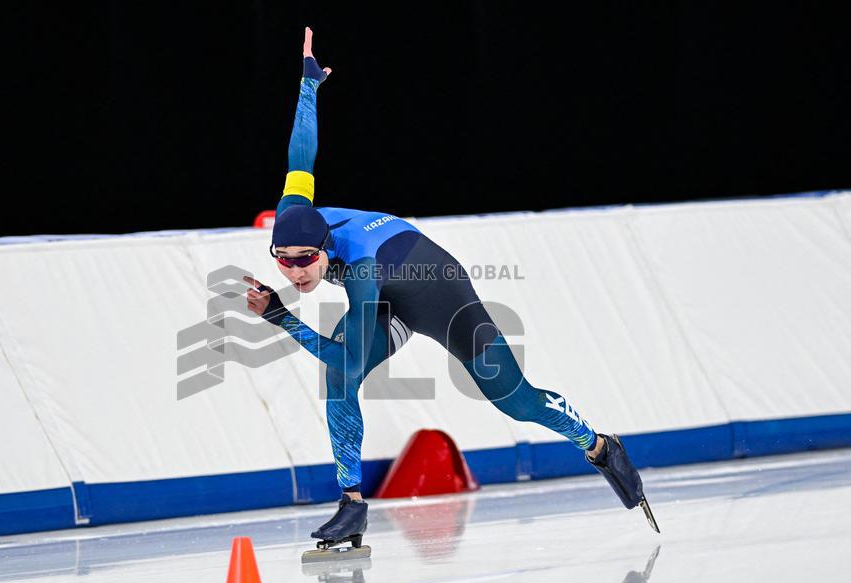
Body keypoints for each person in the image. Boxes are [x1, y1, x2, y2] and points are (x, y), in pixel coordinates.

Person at [244, 28, 658, 549]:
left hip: (437, 288)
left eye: (307, 262)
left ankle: (598, 444)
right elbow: (301, 153)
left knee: (516, 401)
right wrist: (309, 87)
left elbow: (342, 353)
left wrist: (280, 316)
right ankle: (351, 505)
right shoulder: (292, 215)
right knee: (339, 380)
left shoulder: (361, 268)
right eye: (285, 263)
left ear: (326, 249)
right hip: (389, 293)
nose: (298, 272)